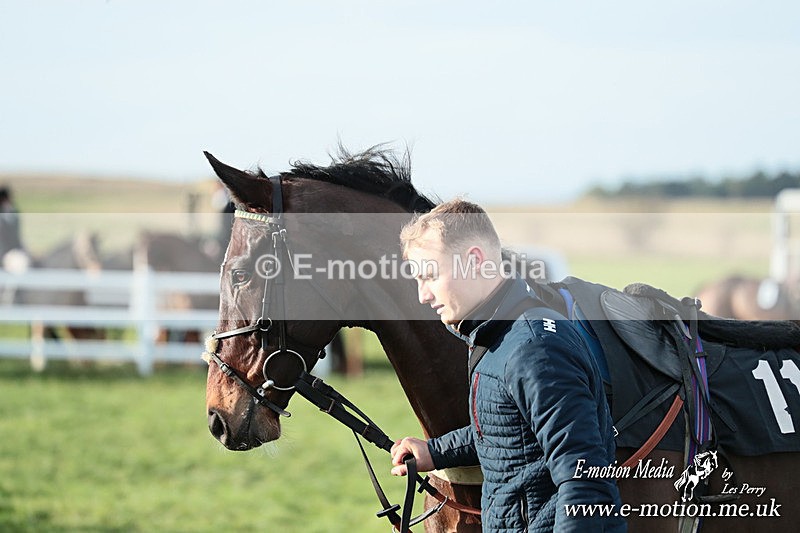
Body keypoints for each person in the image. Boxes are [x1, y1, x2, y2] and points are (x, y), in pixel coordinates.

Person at [390, 199, 625, 532]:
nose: (422, 296)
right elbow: (510, 432)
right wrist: (434, 451)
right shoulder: (497, 337)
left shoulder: (535, 348)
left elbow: (585, 479)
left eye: (430, 275)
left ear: (473, 260)